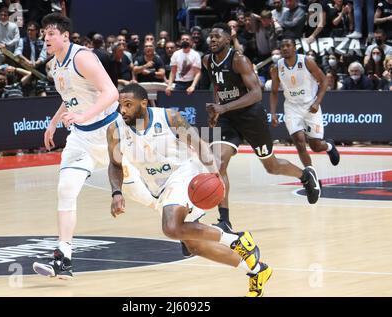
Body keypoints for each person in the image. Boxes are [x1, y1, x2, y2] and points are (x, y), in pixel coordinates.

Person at [107, 83, 272, 297]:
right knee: (195, 246)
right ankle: (257, 270)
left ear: (144, 103)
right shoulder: (115, 130)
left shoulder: (169, 118)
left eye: (128, 105)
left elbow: (200, 144)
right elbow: (115, 165)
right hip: (160, 188)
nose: (123, 110)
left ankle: (237, 240)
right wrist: (116, 192)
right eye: (121, 105)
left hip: (185, 174)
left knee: (171, 226)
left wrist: (215, 175)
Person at [31, 13, 154, 279]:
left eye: (51, 33)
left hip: (110, 132)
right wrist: (53, 123)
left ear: (65, 36)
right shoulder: (55, 65)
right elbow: (70, 98)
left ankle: (180, 217)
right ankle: (63, 258)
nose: (46, 38)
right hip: (81, 137)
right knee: (66, 188)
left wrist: (83, 116)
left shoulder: (82, 57)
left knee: (140, 195)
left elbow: (111, 92)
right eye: (44, 34)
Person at [204, 23, 321, 230]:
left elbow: (257, 94)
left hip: (250, 116)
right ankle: (225, 220)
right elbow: (218, 85)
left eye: (217, 36)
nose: (212, 40)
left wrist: (224, 107)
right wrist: (217, 110)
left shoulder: (239, 60)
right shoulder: (207, 61)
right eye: (210, 37)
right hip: (227, 118)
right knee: (218, 163)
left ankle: (304, 176)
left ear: (227, 40)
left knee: (271, 167)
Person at [270, 38, 340, 179]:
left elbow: (324, 80)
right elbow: (274, 91)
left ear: (294, 48)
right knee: (299, 143)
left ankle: (329, 146)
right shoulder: (277, 67)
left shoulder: (307, 61)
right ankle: (312, 177)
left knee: (315, 146)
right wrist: (272, 112)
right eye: (282, 46)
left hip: (310, 105)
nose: (284, 48)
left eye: (288, 45)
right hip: (291, 107)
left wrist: (317, 102)